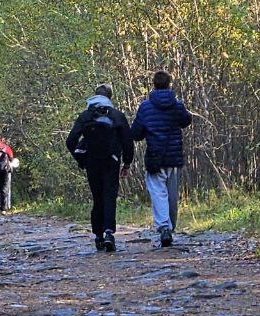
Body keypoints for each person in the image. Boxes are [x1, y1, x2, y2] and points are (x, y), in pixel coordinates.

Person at [66, 84, 134, 253]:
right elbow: (127, 140)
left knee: (97, 197)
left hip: (92, 162)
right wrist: (127, 163)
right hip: (112, 161)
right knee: (109, 196)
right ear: (109, 97)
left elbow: (70, 140)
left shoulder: (86, 115)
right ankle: (109, 233)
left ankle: (98, 236)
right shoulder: (117, 115)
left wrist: (81, 159)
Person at [130, 70, 193, 248]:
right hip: (174, 157)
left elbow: (135, 134)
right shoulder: (177, 105)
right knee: (172, 196)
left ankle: (164, 227)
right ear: (169, 84)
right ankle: (169, 228)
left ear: (154, 84)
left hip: (155, 157)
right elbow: (187, 121)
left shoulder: (145, 107)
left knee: (158, 194)